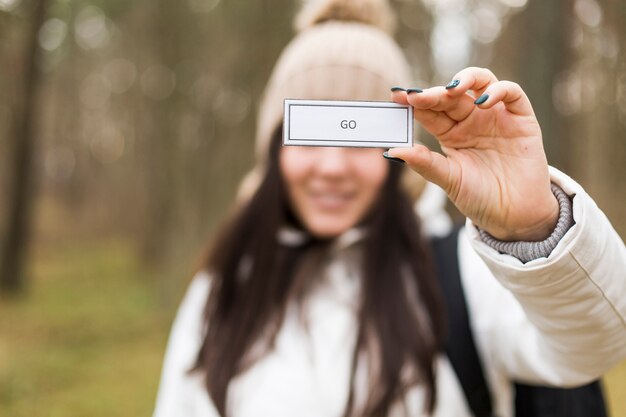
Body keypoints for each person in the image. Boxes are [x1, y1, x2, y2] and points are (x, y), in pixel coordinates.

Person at [152, 0, 626, 416]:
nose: (333, 167)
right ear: (275, 150)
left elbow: (594, 345)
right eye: (310, 135)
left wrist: (536, 226)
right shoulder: (224, 288)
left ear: (398, 153)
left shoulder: (463, 272)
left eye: (358, 137)